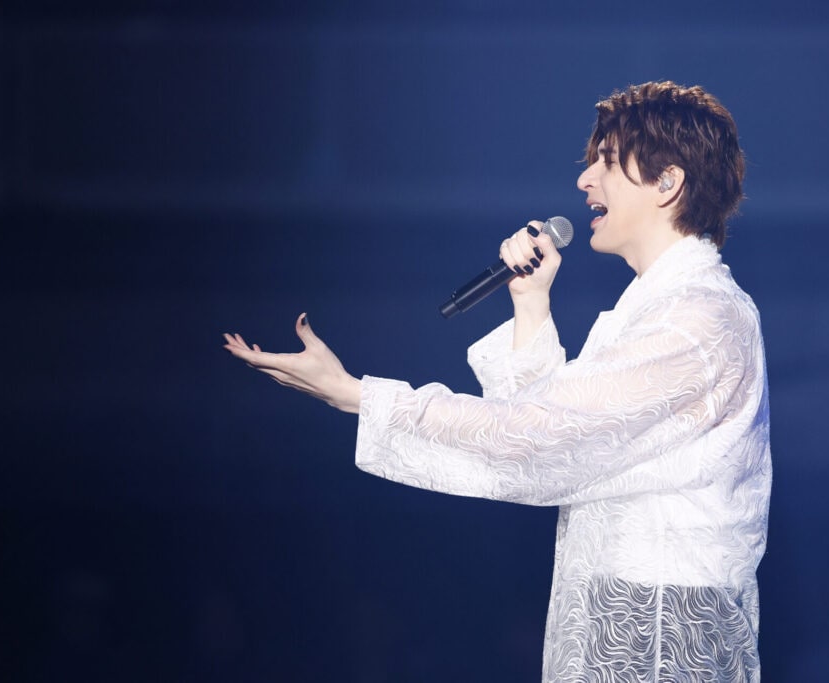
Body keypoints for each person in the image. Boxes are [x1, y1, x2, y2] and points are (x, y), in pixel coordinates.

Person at [223, 80, 771, 683]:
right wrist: (531, 304)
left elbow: (537, 436)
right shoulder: (653, 311)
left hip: (662, 642)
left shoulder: (699, 319)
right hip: (620, 631)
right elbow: (542, 450)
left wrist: (358, 395)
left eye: (608, 162)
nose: (585, 180)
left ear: (668, 183)